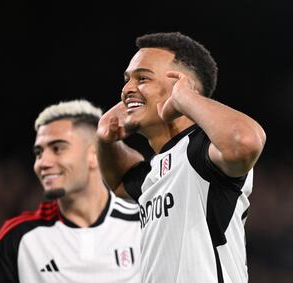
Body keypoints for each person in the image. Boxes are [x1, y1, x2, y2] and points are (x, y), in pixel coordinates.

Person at [97, 32, 266, 283]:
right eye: (127, 80)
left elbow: (244, 142)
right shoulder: (157, 170)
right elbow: (120, 181)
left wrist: (187, 99)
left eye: (142, 78)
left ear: (182, 85)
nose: (127, 89)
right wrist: (104, 137)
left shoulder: (202, 148)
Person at [0, 99, 141, 283]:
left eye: (57, 149)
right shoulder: (18, 237)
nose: (43, 163)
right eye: (38, 152)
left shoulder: (143, 223)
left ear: (94, 154)